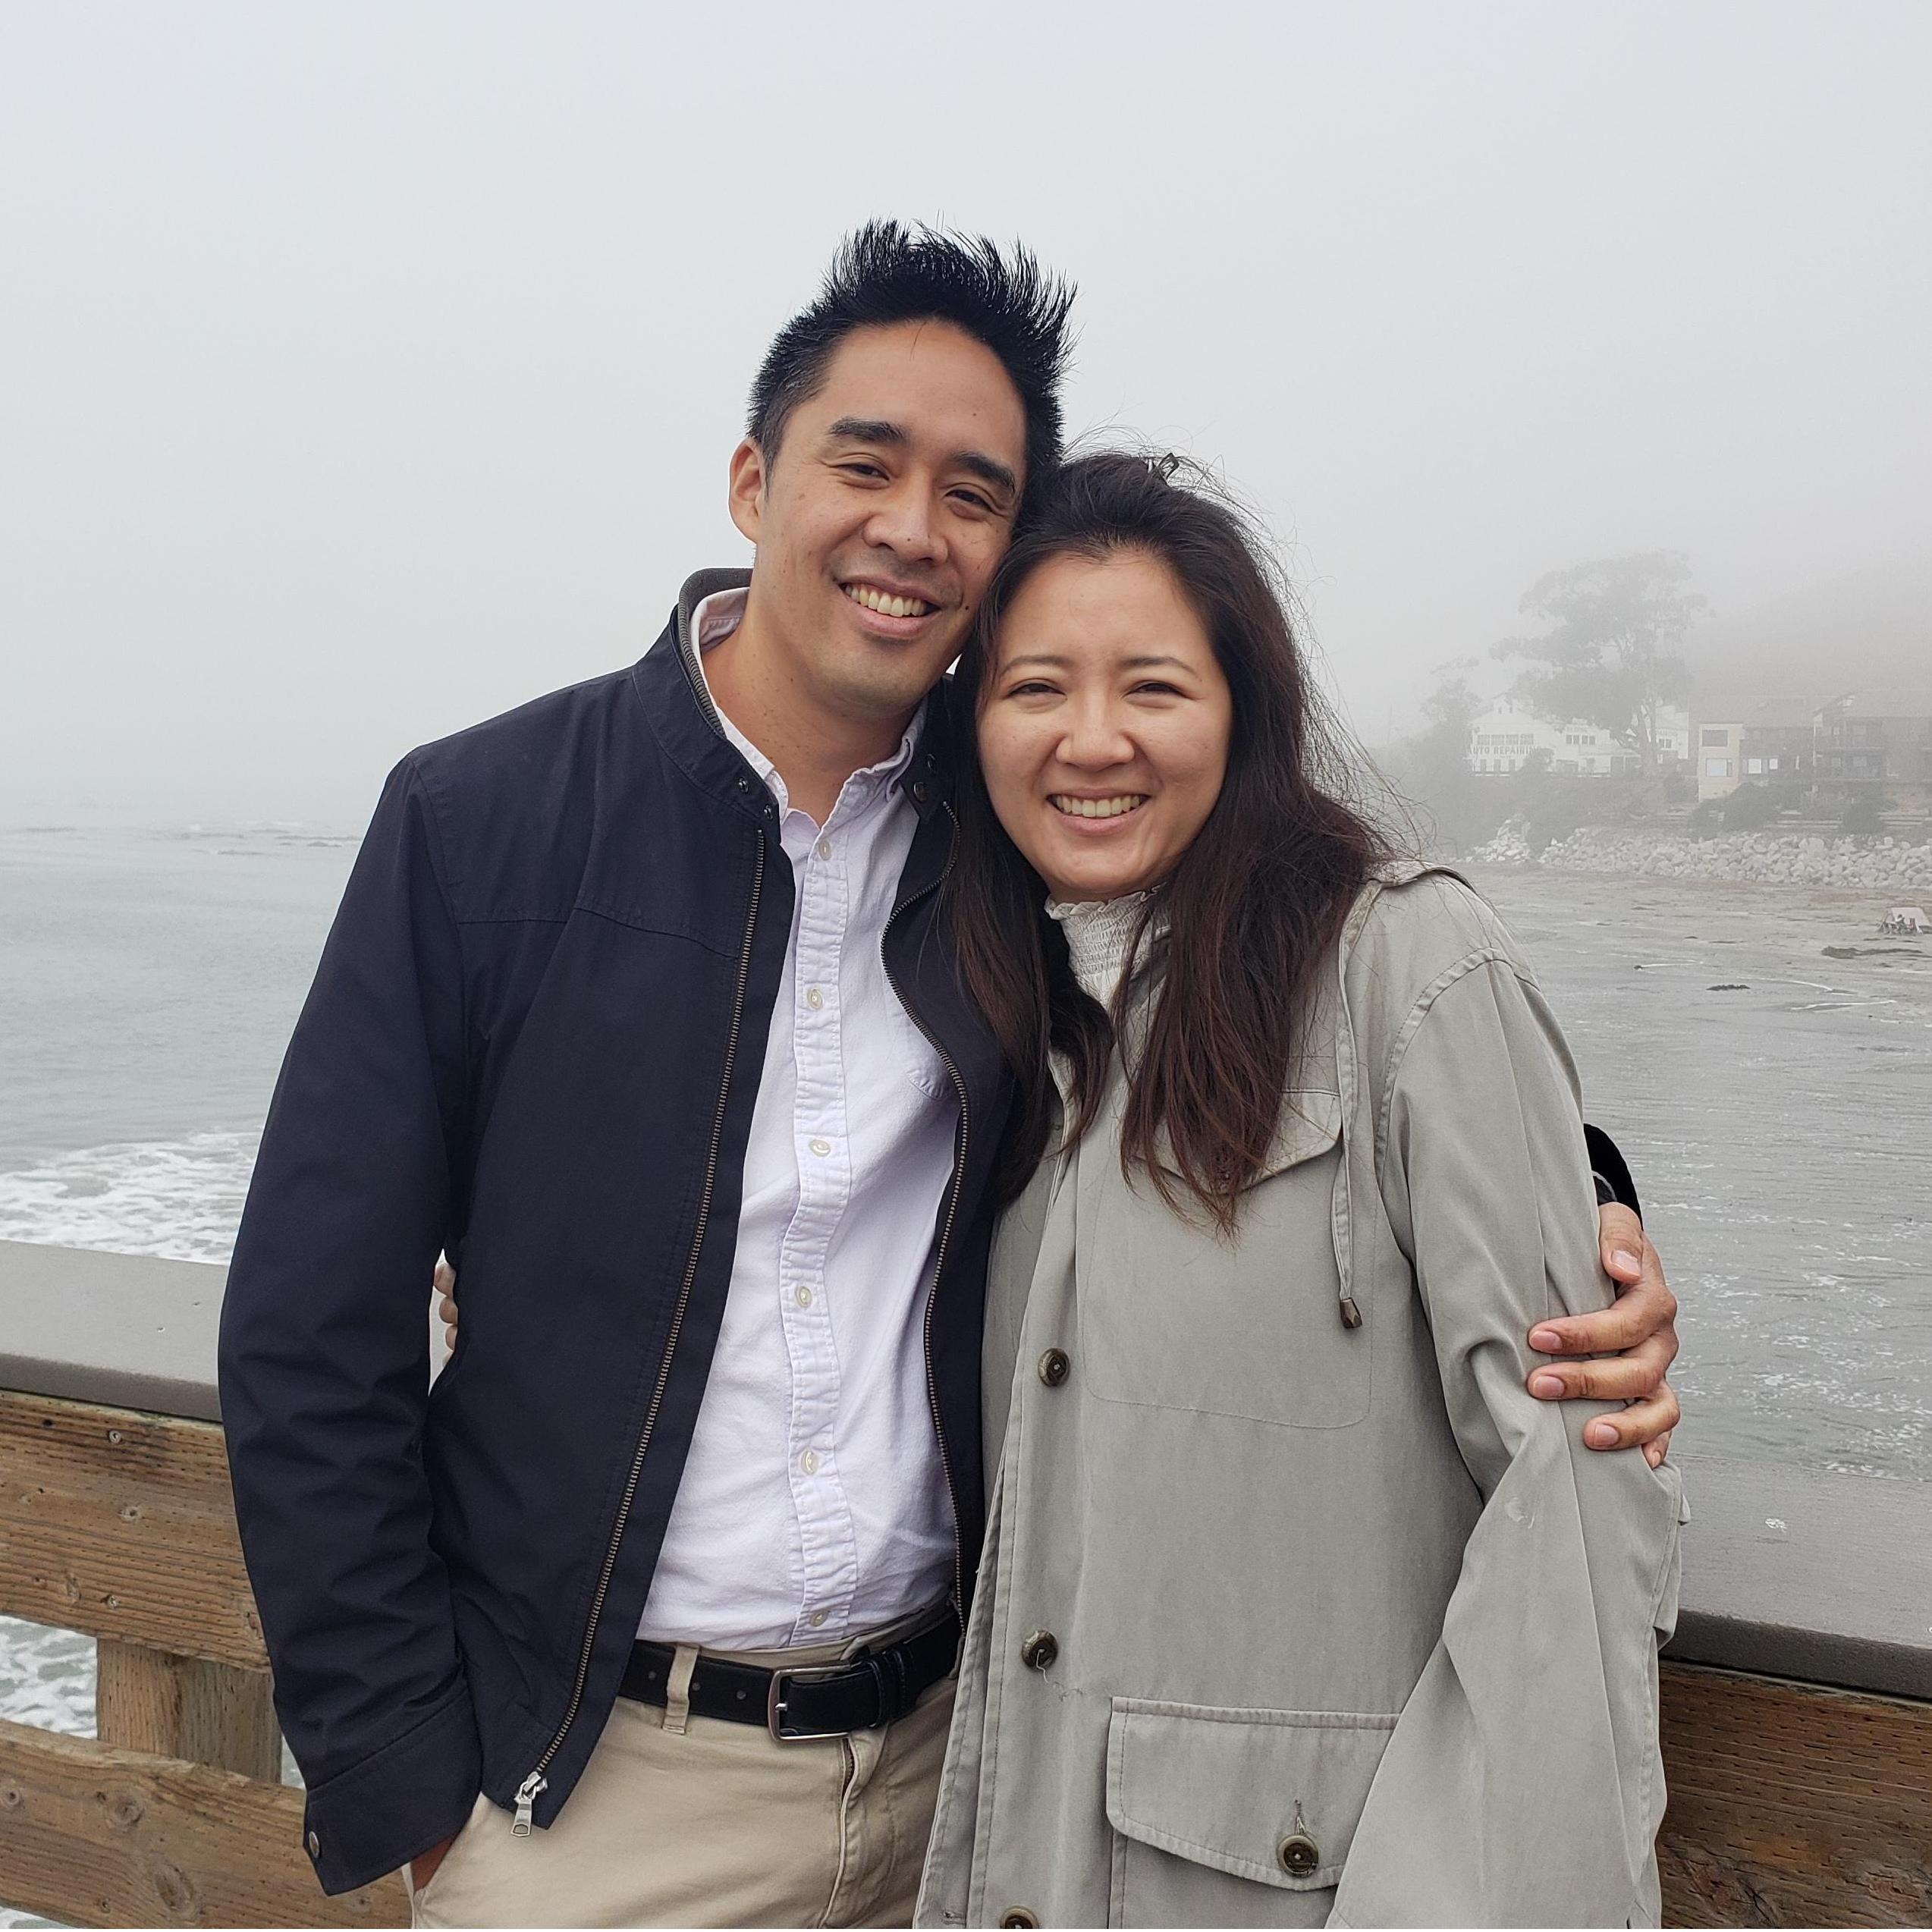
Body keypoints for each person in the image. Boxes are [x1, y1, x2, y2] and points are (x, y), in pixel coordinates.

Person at [218, 224, 1680, 1929]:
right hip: (599, 1793)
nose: (911, 525)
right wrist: (414, 1793)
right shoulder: (482, 824)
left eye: (974, 492)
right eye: (865, 462)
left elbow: (1285, 1049)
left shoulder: (1000, 859)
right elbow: (310, 1334)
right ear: (755, 480)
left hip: (973, 1786)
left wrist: (1587, 1202)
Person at [913, 451, 1686, 1928]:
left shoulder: (1408, 966)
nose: (1090, 740)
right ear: (972, 722)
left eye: (1149, 685)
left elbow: (1571, 1504)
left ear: (1241, 710)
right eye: (1031, 689)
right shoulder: (997, 1014)